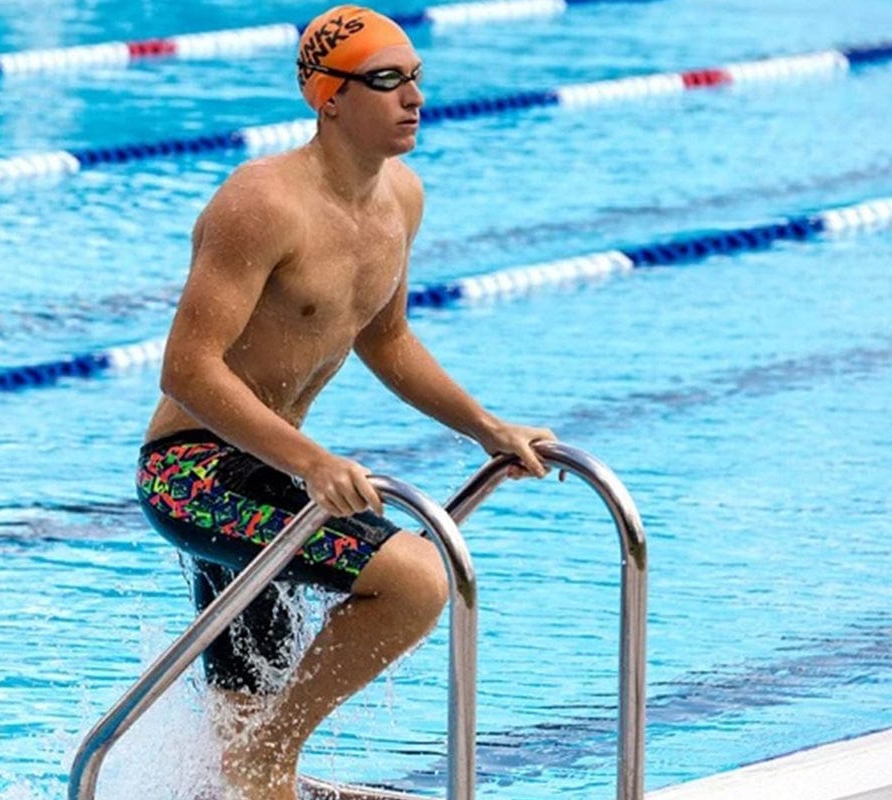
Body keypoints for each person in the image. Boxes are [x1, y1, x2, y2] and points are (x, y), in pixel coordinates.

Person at [136, 5, 556, 798]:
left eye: (417, 78)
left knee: (237, 732)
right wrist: (313, 462)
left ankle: (255, 768)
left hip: (273, 470)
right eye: (387, 80)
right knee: (415, 580)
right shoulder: (261, 204)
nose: (414, 98)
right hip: (195, 472)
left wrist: (487, 429)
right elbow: (187, 370)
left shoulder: (401, 198)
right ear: (329, 97)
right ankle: (272, 754)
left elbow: (387, 340)